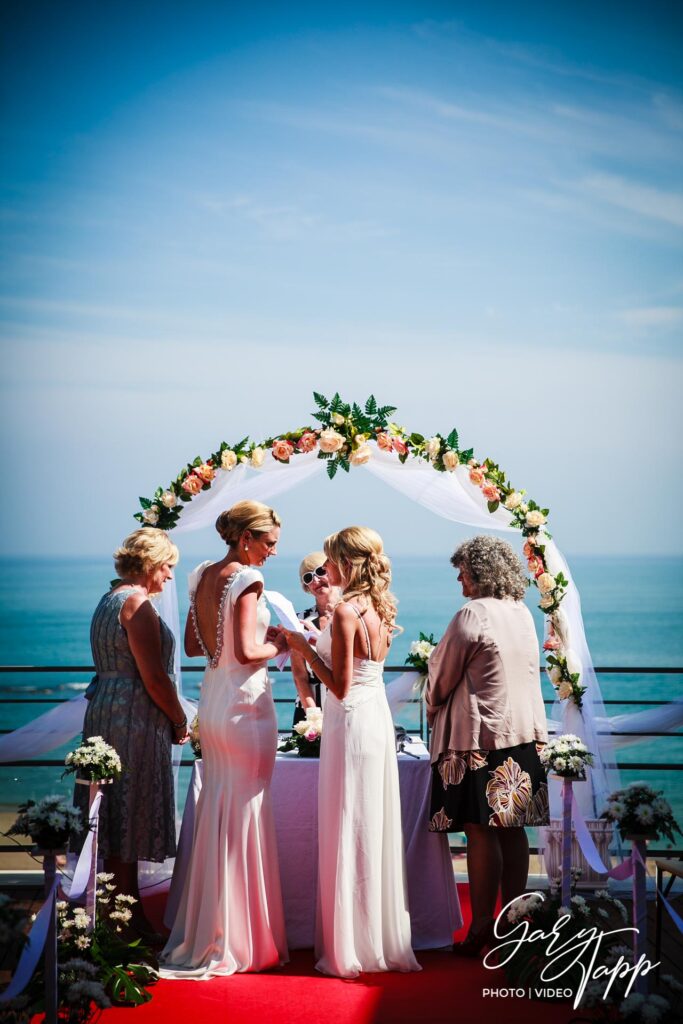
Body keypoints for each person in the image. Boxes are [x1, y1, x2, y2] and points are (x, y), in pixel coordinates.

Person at [284, 526, 421, 979]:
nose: (326, 570)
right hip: (375, 716)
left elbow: (338, 687)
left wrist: (302, 646)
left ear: (346, 562)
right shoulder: (378, 606)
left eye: (330, 561)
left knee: (350, 823)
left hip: (351, 720)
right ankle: (374, 937)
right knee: (370, 824)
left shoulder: (344, 611)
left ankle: (350, 944)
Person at [160, 500, 289, 977]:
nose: (273, 552)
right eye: (270, 542)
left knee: (219, 807)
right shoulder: (249, 580)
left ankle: (209, 928)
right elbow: (248, 650)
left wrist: (246, 646)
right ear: (245, 539)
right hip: (245, 706)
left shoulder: (199, 575)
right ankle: (240, 937)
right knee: (247, 807)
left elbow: (198, 647)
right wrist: (284, 641)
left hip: (213, 700)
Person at [425, 536, 549, 956]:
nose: (460, 581)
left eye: (462, 572)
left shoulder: (472, 613)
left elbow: (441, 674)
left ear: (479, 572)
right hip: (523, 733)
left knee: (480, 832)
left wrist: (432, 700)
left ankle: (480, 927)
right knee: (514, 831)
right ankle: (512, 921)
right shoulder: (522, 613)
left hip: (482, 738)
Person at [74, 528, 188, 938]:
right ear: (152, 564)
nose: (170, 577)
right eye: (168, 567)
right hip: (133, 717)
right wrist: (178, 719)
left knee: (114, 810)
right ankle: (124, 921)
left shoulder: (109, 600)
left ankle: (122, 911)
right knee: (129, 809)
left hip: (105, 707)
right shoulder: (137, 604)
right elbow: (154, 677)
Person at [290, 551, 341, 728]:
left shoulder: (351, 613)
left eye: (320, 572)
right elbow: (299, 673)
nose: (315, 580)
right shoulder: (300, 620)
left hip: (343, 706)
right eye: (308, 577)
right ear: (306, 587)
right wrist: (312, 715)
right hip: (308, 709)